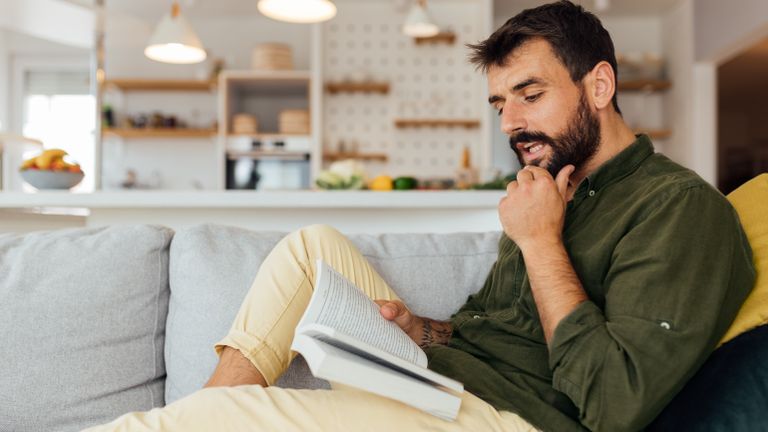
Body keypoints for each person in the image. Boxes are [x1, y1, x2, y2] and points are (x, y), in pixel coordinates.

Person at [87, 1, 754, 431]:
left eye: (530, 94)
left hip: (506, 419)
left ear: (599, 86)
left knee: (195, 423)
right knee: (310, 246)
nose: (512, 123)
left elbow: (614, 406)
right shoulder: (549, 186)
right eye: (499, 104)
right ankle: (206, 410)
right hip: (446, 377)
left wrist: (541, 243)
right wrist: (423, 331)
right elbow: (491, 328)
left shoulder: (679, 211)